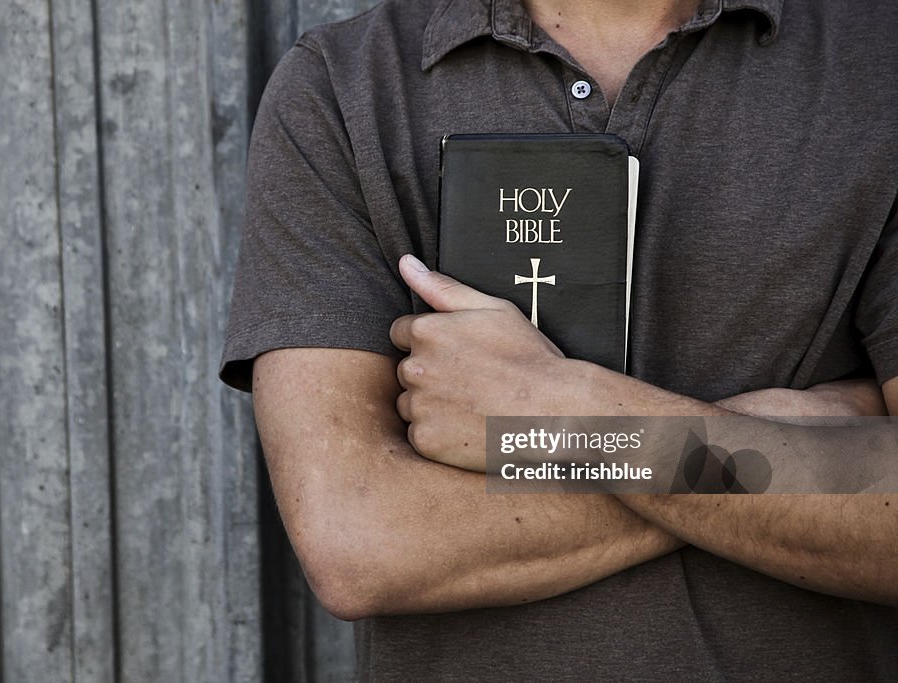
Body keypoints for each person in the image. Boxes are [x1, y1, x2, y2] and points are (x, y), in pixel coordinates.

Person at [221, 0, 898, 678]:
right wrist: (779, 445)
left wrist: (563, 414)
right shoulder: (342, 86)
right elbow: (358, 540)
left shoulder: (876, 66)